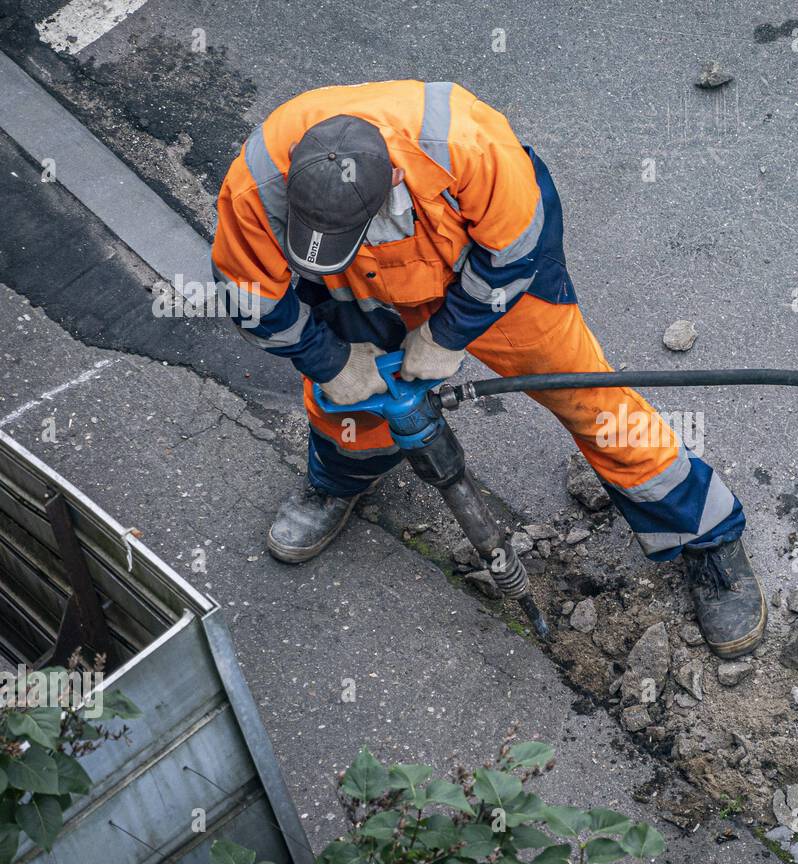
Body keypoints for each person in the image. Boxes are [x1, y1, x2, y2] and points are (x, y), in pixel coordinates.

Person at [211, 81, 765, 659]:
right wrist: (329, 363)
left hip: (483, 274)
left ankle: (703, 534)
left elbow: (515, 253)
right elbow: (249, 295)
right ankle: (335, 487)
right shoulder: (258, 182)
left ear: (395, 180)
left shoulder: (467, 145)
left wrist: (447, 336)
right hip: (355, 283)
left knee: (587, 395)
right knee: (348, 408)